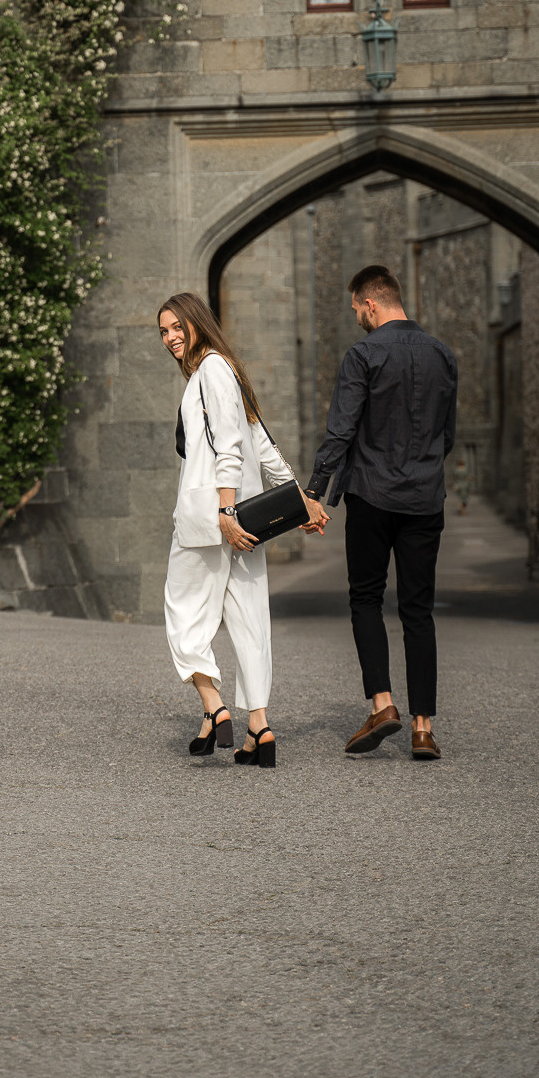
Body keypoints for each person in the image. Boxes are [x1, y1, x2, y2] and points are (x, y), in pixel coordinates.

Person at [158, 292, 329, 769]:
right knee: (250, 619)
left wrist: (227, 514)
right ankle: (259, 726)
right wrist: (300, 500)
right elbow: (261, 442)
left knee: (182, 611)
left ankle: (215, 707)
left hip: (213, 517)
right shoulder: (226, 369)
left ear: (197, 322)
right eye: (164, 331)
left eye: (177, 327)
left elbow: (233, 446)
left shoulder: (210, 371)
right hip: (241, 518)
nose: (170, 337)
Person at [304, 265, 458, 761]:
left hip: (371, 495)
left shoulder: (363, 354)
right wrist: (424, 469)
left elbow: (341, 429)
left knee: (367, 598)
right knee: (418, 610)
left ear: (370, 303)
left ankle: (383, 704)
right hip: (424, 499)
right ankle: (423, 729)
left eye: (356, 309)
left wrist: (313, 491)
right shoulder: (443, 354)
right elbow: (447, 435)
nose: (357, 318)